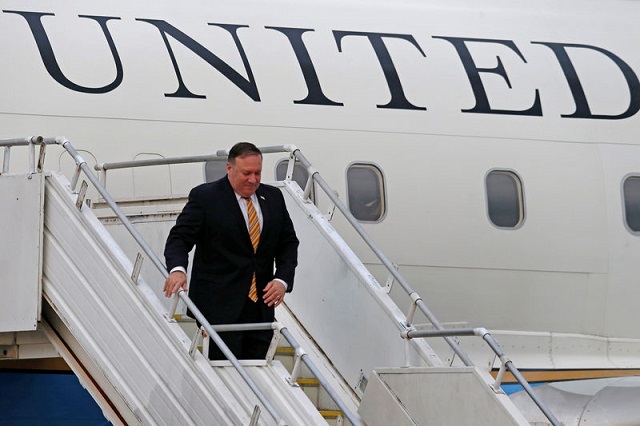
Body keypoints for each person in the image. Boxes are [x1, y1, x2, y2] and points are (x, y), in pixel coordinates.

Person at [163, 142, 299, 360]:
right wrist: (178, 269)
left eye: (258, 173)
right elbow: (179, 238)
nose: (253, 180)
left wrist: (282, 280)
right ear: (229, 168)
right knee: (226, 374)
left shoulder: (273, 197)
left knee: (257, 373)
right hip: (217, 307)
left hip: (260, 307)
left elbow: (288, 243)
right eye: (247, 173)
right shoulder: (206, 198)